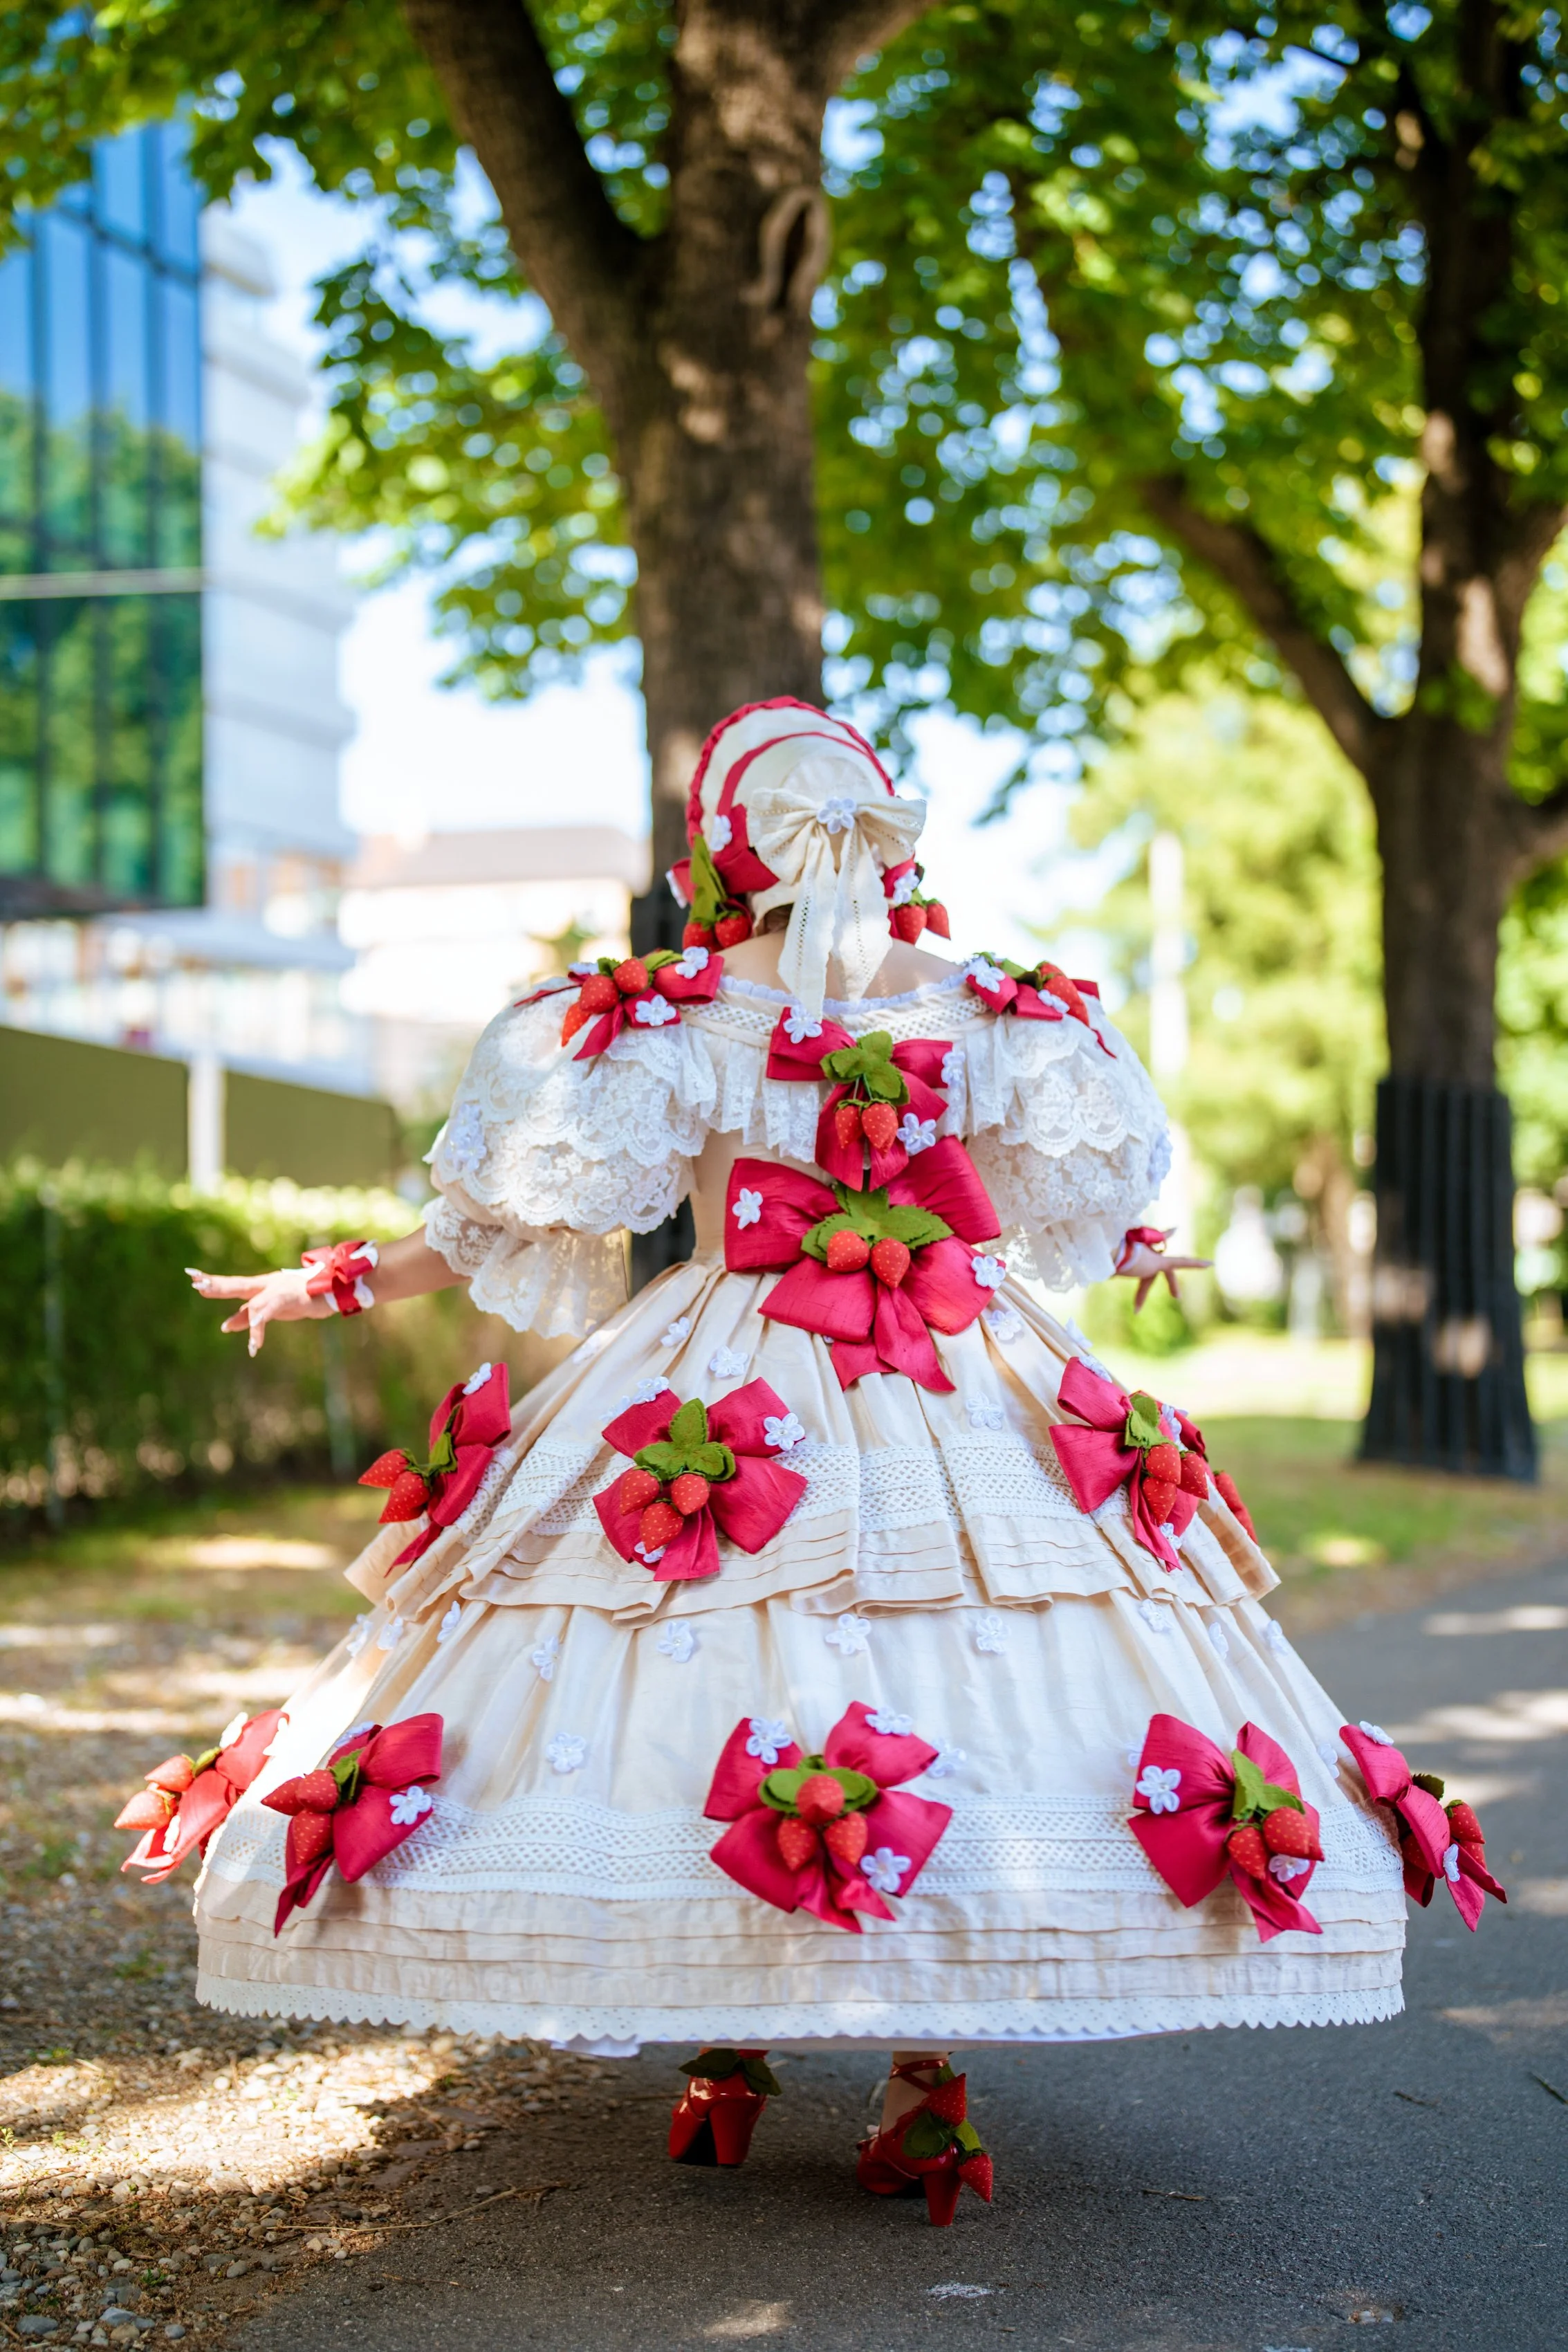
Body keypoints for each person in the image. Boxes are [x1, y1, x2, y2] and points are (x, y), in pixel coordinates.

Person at [183, 699, 1405, 2225]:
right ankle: (922, 2080)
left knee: (712, 1652)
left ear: (720, 853)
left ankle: (730, 2044)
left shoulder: (671, 1016)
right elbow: (1064, 1196)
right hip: (951, 1356)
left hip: (722, 1373)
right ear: (885, 839)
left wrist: (338, 1277)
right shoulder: (989, 1006)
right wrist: (1139, 1246)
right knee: (940, 1665)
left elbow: (504, 1219)